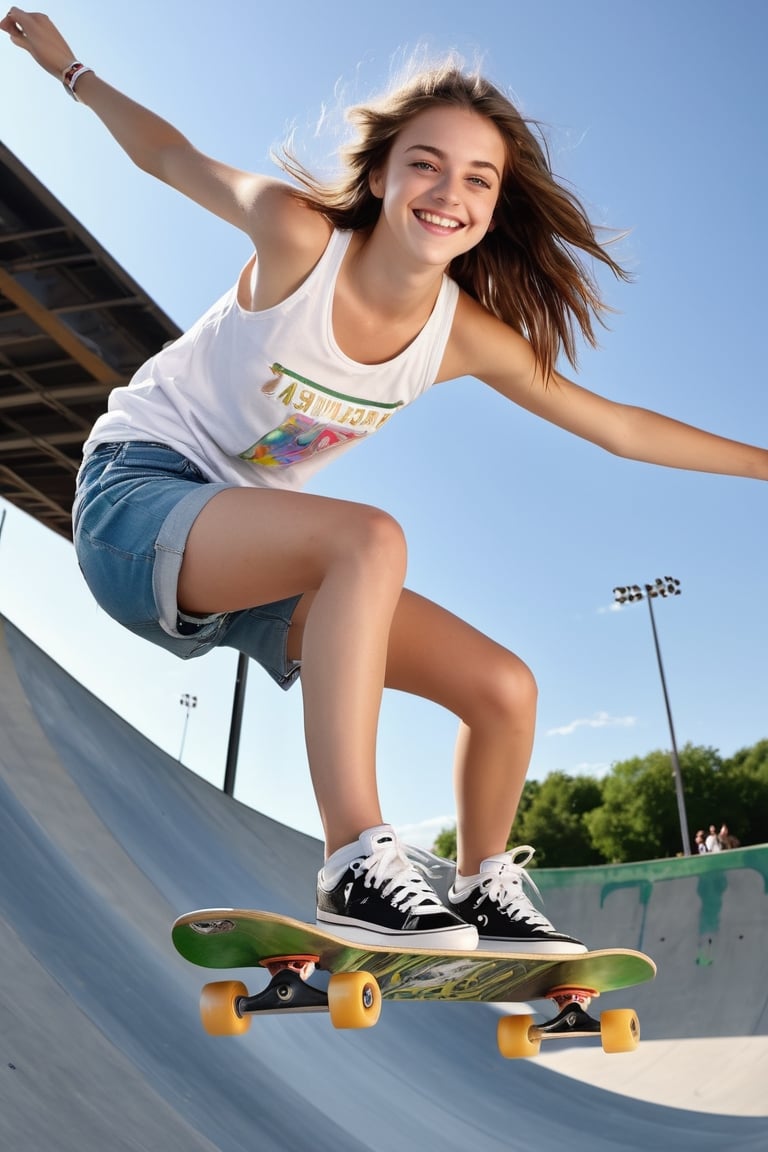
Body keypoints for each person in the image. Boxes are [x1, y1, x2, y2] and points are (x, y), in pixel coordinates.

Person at [4, 9, 766, 957]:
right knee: (368, 538)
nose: (449, 192)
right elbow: (170, 157)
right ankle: (355, 860)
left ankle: (485, 888)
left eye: (477, 179)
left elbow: (616, 427)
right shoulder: (299, 239)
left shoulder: (463, 337)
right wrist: (69, 69)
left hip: (247, 564)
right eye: (426, 164)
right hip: (133, 506)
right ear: (380, 174)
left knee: (504, 689)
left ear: (492, 209)